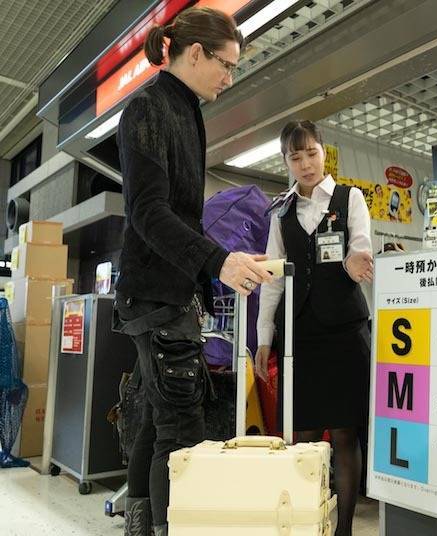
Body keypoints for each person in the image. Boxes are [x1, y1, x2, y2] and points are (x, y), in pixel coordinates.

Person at [113, 8, 272, 536]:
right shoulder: (148, 109)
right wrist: (217, 260)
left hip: (167, 292)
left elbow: (181, 214)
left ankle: (140, 524)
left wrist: (214, 269)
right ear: (196, 53)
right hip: (154, 294)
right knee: (181, 431)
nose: (229, 78)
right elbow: (148, 211)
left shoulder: (186, 112)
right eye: (225, 65)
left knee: (159, 419)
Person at [256, 120, 373, 536]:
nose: (304, 163)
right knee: (301, 435)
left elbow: (361, 247)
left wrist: (354, 262)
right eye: (295, 156)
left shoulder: (350, 197)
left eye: (311, 153)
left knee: (344, 434)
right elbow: (271, 278)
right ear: (286, 161)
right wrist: (263, 338)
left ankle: (343, 530)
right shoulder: (281, 209)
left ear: (324, 152)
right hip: (299, 335)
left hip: (344, 332)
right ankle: (305, 522)